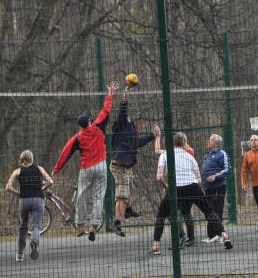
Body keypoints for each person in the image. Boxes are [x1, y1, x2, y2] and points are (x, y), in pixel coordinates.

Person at [52, 81, 119, 241]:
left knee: (82, 195)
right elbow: (105, 110)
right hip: (101, 167)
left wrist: (56, 169)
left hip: (86, 168)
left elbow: (65, 153)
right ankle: (94, 225)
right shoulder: (98, 127)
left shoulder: (77, 137)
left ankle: (81, 223)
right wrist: (110, 94)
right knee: (98, 196)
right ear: (89, 122)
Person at [150, 133, 232, 255]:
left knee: (161, 215)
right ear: (184, 143)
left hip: (175, 188)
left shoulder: (165, 155)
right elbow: (198, 178)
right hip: (192, 186)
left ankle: (156, 246)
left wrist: (166, 186)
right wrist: (191, 192)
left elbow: (159, 177)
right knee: (208, 211)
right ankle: (224, 234)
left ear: (172, 143)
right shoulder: (190, 156)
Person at [110, 75, 159, 236]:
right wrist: (125, 94)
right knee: (121, 196)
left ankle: (129, 211)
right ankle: (117, 223)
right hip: (119, 164)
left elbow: (137, 142)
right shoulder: (121, 123)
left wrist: (152, 135)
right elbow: (122, 111)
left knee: (125, 193)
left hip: (126, 165)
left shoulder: (130, 129)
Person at [5, 150, 54, 262]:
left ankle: (20, 254)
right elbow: (51, 181)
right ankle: (34, 243)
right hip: (38, 199)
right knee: (36, 225)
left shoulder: (17, 171)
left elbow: (8, 187)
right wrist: (42, 188)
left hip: (24, 200)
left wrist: (18, 193)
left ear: (22, 159)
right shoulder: (39, 168)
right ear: (32, 159)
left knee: (23, 226)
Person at [155, 131, 195, 247]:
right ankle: (190, 239)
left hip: (179, 186)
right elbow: (158, 151)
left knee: (172, 212)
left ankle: (183, 236)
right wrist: (157, 137)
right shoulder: (186, 151)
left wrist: (157, 137)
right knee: (186, 212)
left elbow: (158, 151)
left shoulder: (186, 151)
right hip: (188, 186)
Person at [201, 134, 231, 243]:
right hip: (207, 188)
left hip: (218, 187)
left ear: (216, 143)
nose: (208, 141)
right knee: (208, 211)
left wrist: (215, 177)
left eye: (211, 140)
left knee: (216, 211)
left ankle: (219, 235)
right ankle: (211, 236)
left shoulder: (222, 154)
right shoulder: (207, 155)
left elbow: (228, 170)